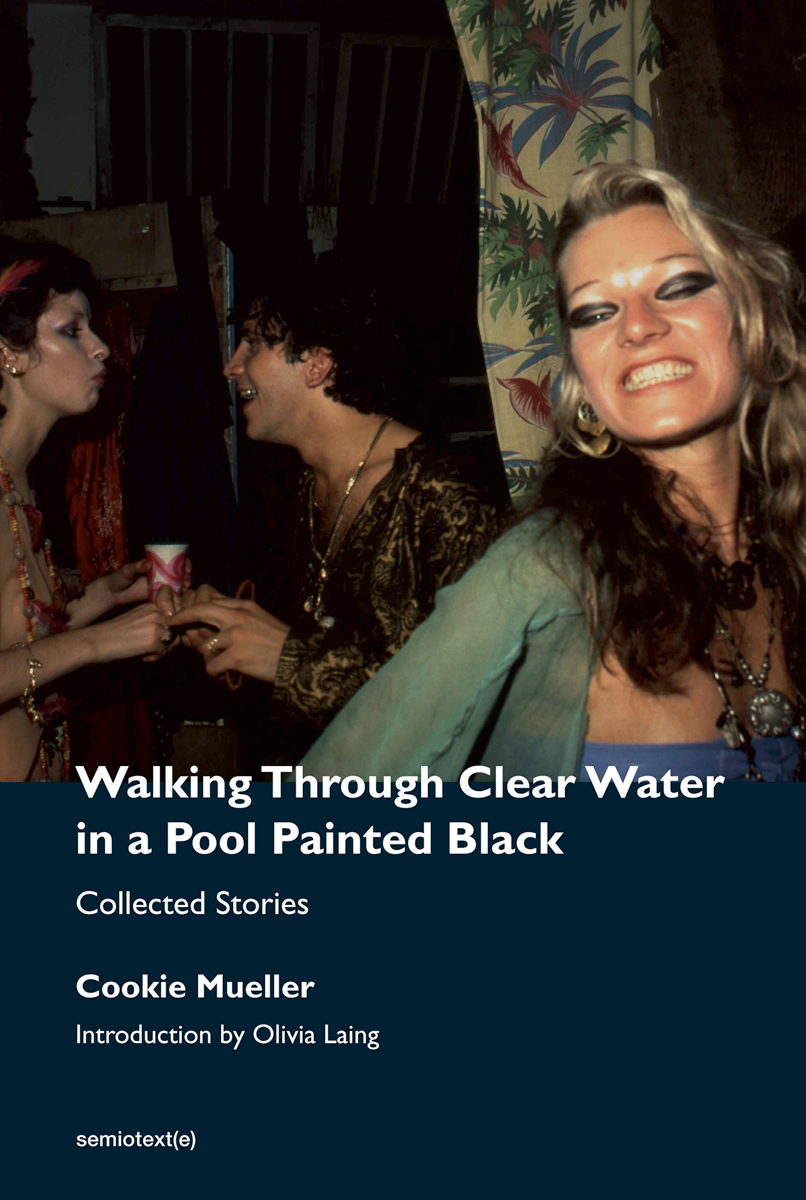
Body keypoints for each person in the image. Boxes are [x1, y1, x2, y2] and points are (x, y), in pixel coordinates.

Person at [297, 164, 805, 784]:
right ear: (582, 380)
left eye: (677, 285)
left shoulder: (789, 546)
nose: (636, 326)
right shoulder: (549, 568)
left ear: (753, 315)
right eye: (594, 312)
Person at [169, 261, 504, 763]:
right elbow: (308, 671)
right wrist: (229, 635)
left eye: (253, 343)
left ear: (317, 364)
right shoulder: (304, 487)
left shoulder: (444, 494)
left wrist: (287, 659)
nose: (232, 366)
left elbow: (474, 698)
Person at [0, 237, 172, 781]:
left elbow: (17, 646)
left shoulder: (19, 480)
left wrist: (100, 600)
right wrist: (97, 643)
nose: (101, 348)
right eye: (71, 331)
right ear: (9, 352)